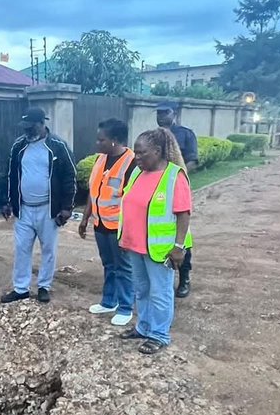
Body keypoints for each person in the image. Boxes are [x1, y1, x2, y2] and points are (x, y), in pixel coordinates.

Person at [118, 128, 192, 354]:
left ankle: (159, 334)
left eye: (142, 153)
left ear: (158, 151)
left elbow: (183, 213)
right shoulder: (137, 173)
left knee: (160, 293)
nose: (137, 157)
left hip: (161, 249)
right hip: (135, 245)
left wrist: (178, 247)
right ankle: (143, 327)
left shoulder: (174, 176)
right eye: (136, 152)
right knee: (141, 290)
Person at [1, 106, 76, 304]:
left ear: (42, 124)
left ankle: (44, 286)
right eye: (24, 126)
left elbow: (69, 177)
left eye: (31, 126)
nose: (27, 130)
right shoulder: (18, 146)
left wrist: (67, 207)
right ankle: (21, 289)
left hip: (48, 209)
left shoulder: (58, 146)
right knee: (22, 249)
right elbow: (9, 175)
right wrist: (7, 201)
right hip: (24, 208)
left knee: (48, 250)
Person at [78, 118, 136, 326]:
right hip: (100, 224)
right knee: (108, 265)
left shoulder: (132, 163)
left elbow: (133, 200)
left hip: (119, 226)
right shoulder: (100, 160)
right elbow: (93, 191)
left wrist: (128, 229)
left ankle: (126, 307)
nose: (97, 143)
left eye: (101, 139)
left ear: (115, 140)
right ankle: (109, 301)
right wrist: (85, 218)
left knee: (123, 268)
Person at [155, 105, 198, 298]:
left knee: (181, 232)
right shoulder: (153, 136)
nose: (161, 116)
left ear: (175, 114)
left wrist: (177, 177)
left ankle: (184, 277)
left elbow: (193, 160)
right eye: (158, 112)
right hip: (155, 189)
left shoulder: (185, 134)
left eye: (165, 112)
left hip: (176, 187)